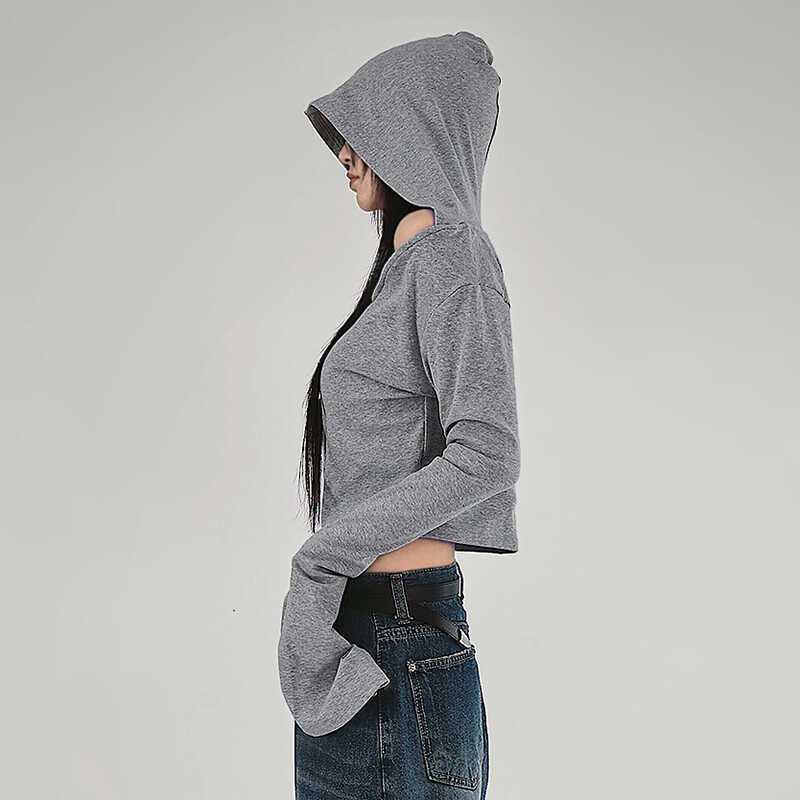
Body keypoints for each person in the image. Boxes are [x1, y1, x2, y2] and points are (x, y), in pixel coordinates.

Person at [278, 31, 520, 798]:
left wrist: (324, 555)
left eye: (369, 131)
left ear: (417, 136)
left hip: (400, 639)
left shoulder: (454, 257)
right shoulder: (407, 270)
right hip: (362, 635)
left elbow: (488, 453)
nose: (346, 153)